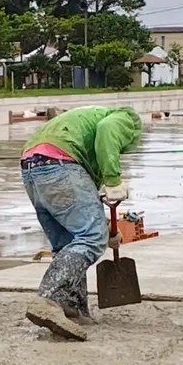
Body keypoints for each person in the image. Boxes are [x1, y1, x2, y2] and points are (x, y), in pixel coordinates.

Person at [21, 106, 143, 341]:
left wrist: (106, 227)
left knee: (69, 242)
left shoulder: (81, 130)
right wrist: (113, 180)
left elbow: (79, 202)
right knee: (91, 238)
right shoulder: (128, 118)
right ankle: (49, 297)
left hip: (31, 166)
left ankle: (72, 310)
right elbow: (108, 131)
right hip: (60, 162)